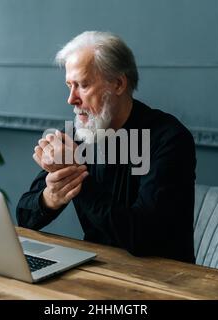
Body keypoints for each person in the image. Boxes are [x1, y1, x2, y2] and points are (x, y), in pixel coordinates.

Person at [17, 31, 196, 263]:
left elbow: (142, 238)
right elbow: (24, 216)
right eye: (69, 86)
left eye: (83, 85)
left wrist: (76, 174)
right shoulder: (77, 134)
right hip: (97, 271)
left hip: (164, 283)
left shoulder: (170, 138)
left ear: (119, 84)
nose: (71, 99)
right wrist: (52, 195)